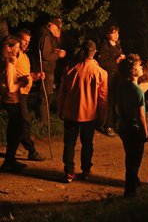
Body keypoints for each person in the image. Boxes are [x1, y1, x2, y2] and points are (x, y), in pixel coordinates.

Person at [57, 40, 108, 183]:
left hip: (71, 112)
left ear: (82, 52)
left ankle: (69, 171)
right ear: (95, 53)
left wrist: (60, 109)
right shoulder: (101, 73)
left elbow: (62, 92)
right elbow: (103, 98)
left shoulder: (70, 70)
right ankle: (85, 170)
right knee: (87, 144)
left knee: (69, 143)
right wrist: (102, 117)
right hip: (90, 114)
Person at [116, 53, 148, 197]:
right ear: (132, 70)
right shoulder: (137, 91)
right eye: (138, 65)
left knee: (130, 158)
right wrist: (146, 132)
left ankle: (132, 185)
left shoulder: (123, 86)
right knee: (135, 161)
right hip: (134, 129)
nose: (141, 67)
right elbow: (141, 115)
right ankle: (130, 192)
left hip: (124, 127)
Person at [0, 35, 30, 172]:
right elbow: (11, 87)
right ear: (8, 48)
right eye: (15, 48)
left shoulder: (3, 61)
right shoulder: (9, 66)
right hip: (12, 100)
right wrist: (23, 82)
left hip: (8, 100)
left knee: (15, 129)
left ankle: (10, 160)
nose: (18, 50)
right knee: (18, 129)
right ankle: (9, 161)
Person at [14, 29, 46, 161]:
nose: (26, 44)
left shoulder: (24, 56)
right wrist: (21, 80)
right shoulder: (14, 55)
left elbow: (26, 74)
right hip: (17, 92)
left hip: (24, 93)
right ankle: (31, 150)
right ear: (18, 39)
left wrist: (35, 76)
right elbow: (10, 72)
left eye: (28, 42)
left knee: (18, 122)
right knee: (25, 120)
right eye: (24, 41)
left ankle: (14, 148)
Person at [96, 24, 126, 137]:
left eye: (117, 33)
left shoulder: (118, 45)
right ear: (108, 34)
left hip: (118, 77)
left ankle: (116, 124)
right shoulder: (104, 46)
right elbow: (103, 64)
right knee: (110, 101)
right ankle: (107, 125)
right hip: (109, 78)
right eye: (114, 33)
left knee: (117, 102)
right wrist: (116, 61)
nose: (116, 35)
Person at [38, 16, 67, 125]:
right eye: (57, 27)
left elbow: (46, 51)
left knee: (47, 95)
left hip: (47, 69)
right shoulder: (46, 36)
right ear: (50, 25)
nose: (58, 30)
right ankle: (44, 122)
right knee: (46, 95)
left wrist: (54, 50)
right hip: (46, 70)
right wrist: (58, 54)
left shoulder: (47, 34)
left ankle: (44, 119)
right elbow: (46, 55)